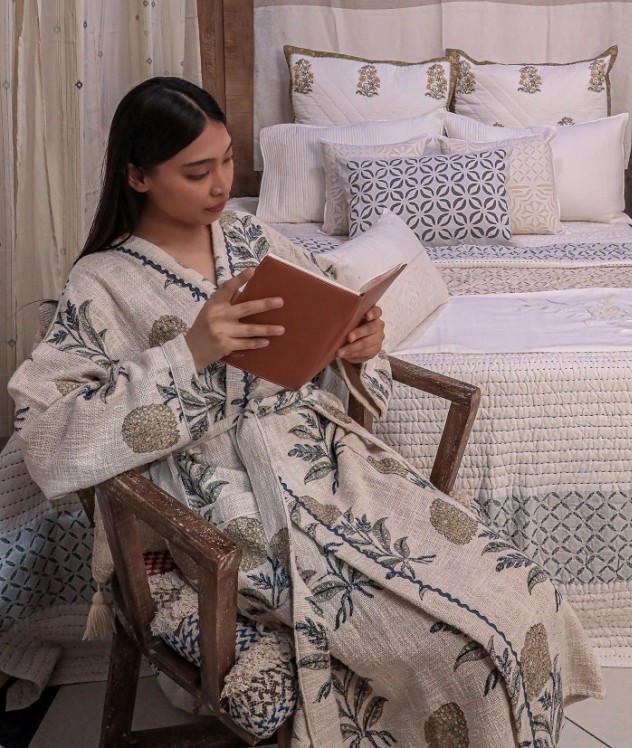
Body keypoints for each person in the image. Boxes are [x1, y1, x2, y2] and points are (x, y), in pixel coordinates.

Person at [9, 76, 602, 747]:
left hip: (330, 467)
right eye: (198, 172)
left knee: (525, 593)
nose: (221, 185)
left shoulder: (249, 238)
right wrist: (189, 352)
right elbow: (48, 437)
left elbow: (323, 326)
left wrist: (357, 346)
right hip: (222, 504)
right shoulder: (101, 282)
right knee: (440, 645)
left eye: (228, 161)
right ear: (138, 176)